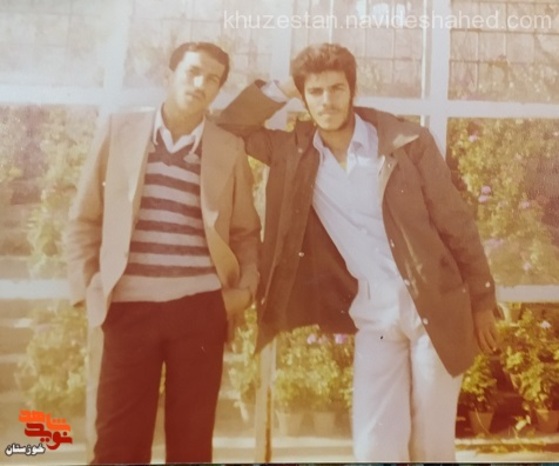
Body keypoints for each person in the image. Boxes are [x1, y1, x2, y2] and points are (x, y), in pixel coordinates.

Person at [217, 43, 498, 462]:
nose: (327, 101)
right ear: (304, 97)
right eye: (315, 92)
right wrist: (286, 86)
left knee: (431, 444)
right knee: (374, 444)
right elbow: (229, 125)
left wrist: (483, 301)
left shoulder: (407, 143)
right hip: (373, 311)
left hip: (434, 302)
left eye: (337, 88)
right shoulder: (294, 151)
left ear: (353, 91)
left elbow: (456, 224)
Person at [65, 42, 260, 464]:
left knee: (191, 444)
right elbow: (84, 218)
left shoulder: (228, 148)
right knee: (117, 444)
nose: (201, 84)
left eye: (213, 79)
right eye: (192, 72)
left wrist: (243, 293)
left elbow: (246, 232)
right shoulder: (120, 131)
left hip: (200, 310)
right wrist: (88, 290)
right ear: (169, 75)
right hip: (128, 310)